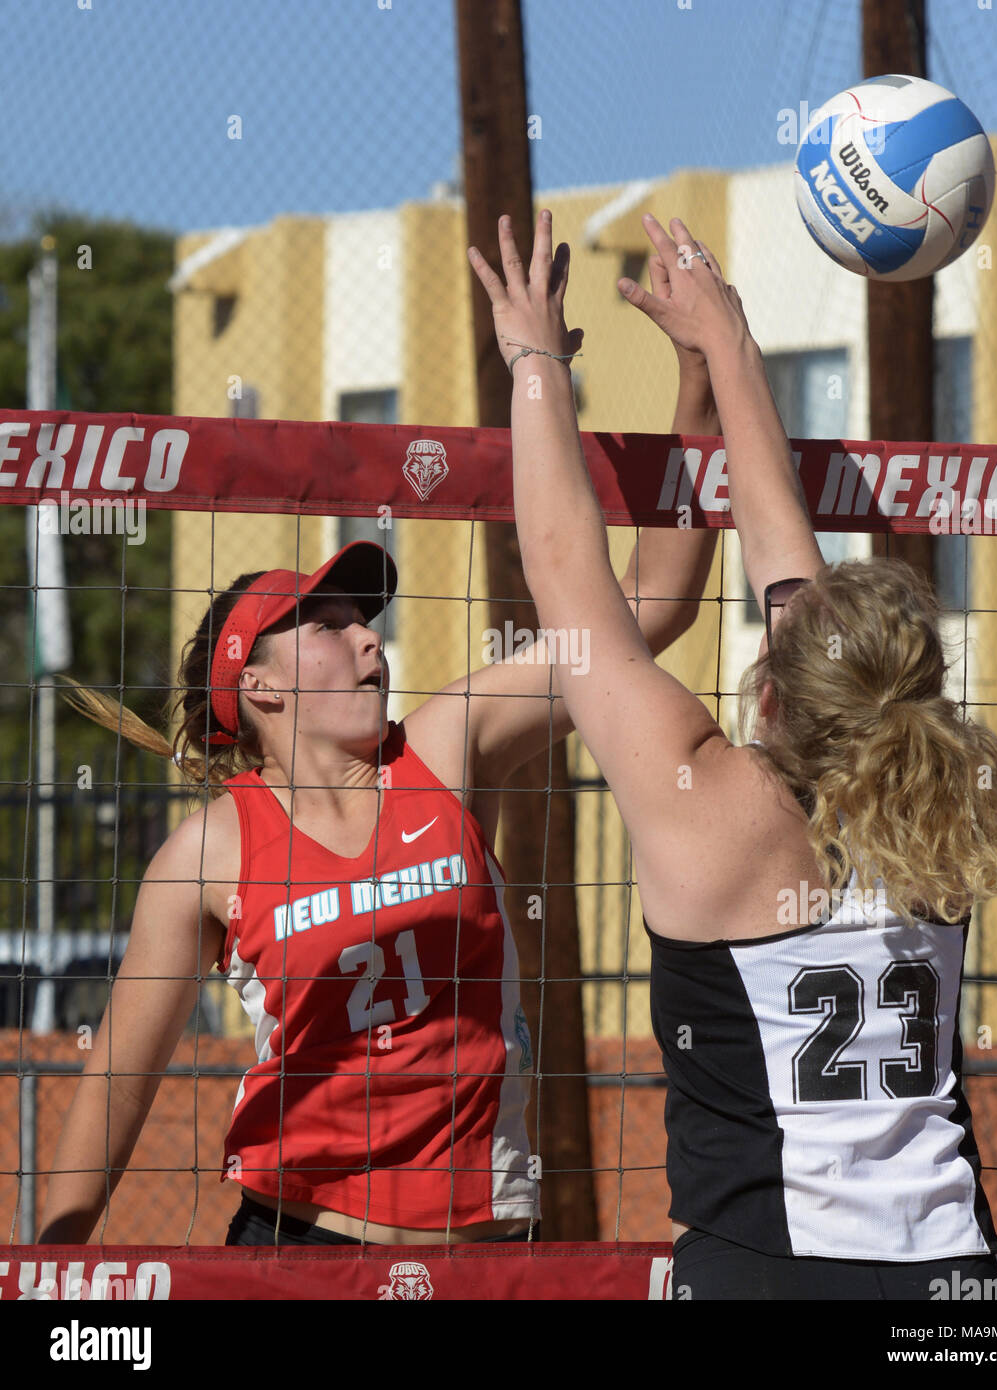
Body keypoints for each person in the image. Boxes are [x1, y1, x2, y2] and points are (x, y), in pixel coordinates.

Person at [467, 208, 997, 1297]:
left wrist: (535, 359)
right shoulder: (932, 797)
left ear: (772, 698)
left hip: (770, 1273)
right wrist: (726, 350)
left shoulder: (706, 802)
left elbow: (566, 576)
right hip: (952, 1279)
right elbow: (797, 584)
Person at [38, 323, 721, 1248]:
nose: (367, 637)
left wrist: (701, 383)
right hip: (298, 1246)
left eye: (364, 619)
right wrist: (50, 1275)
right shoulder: (212, 851)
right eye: (326, 624)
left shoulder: (443, 747)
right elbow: (115, 1083)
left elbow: (653, 607)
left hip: (481, 1253)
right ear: (262, 684)